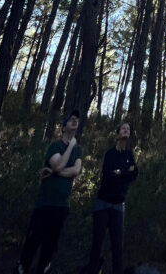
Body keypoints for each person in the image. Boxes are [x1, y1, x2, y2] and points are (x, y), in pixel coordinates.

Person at [14, 109, 82, 274]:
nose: (75, 121)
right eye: (71, 119)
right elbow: (58, 165)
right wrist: (69, 148)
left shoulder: (78, 150)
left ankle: (42, 269)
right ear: (63, 127)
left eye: (76, 120)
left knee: (50, 245)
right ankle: (22, 268)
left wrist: (55, 172)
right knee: (34, 240)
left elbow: (76, 171)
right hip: (45, 204)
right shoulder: (55, 146)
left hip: (62, 205)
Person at [82, 121, 138, 274]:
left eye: (128, 128)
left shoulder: (129, 155)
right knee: (97, 242)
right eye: (123, 128)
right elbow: (107, 175)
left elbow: (134, 174)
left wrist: (120, 172)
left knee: (117, 245)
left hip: (119, 205)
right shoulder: (110, 154)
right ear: (118, 133)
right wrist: (124, 173)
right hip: (103, 203)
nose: (126, 130)